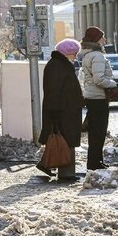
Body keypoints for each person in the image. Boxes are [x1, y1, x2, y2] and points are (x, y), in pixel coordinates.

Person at [37, 38, 84, 180]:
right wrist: (55, 113)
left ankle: (52, 166)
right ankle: (66, 173)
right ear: (67, 53)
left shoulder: (60, 64)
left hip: (65, 110)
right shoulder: (57, 66)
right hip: (62, 111)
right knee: (64, 140)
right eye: (74, 53)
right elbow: (54, 90)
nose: (75, 57)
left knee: (63, 140)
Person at [80, 26, 117, 170]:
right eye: (102, 37)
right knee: (98, 132)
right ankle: (95, 164)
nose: (104, 39)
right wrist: (113, 84)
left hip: (91, 97)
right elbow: (99, 79)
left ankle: (96, 162)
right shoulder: (97, 56)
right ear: (96, 39)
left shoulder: (88, 55)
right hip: (98, 98)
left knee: (95, 133)